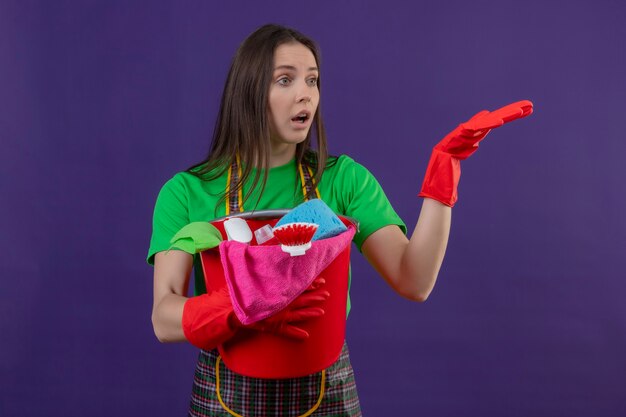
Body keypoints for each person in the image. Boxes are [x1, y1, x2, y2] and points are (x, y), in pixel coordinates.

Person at [147, 23, 532, 417]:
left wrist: (442, 178)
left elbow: (413, 279)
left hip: (325, 394)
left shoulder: (344, 179)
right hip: (225, 394)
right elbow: (164, 319)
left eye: (312, 81)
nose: (305, 95)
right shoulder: (187, 192)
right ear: (248, 91)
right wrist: (242, 309)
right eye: (285, 80)